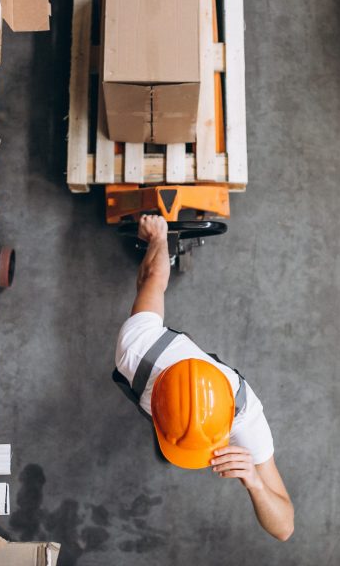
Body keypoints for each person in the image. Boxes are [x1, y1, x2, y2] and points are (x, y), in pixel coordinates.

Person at [114, 214, 294, 541]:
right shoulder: (137, 350)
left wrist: (254, 481)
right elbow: (153, 275)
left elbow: (285, 527)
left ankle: (174, 436)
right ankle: (172, 435)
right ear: (153, 405)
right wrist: (159, 238)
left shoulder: (246, 418)